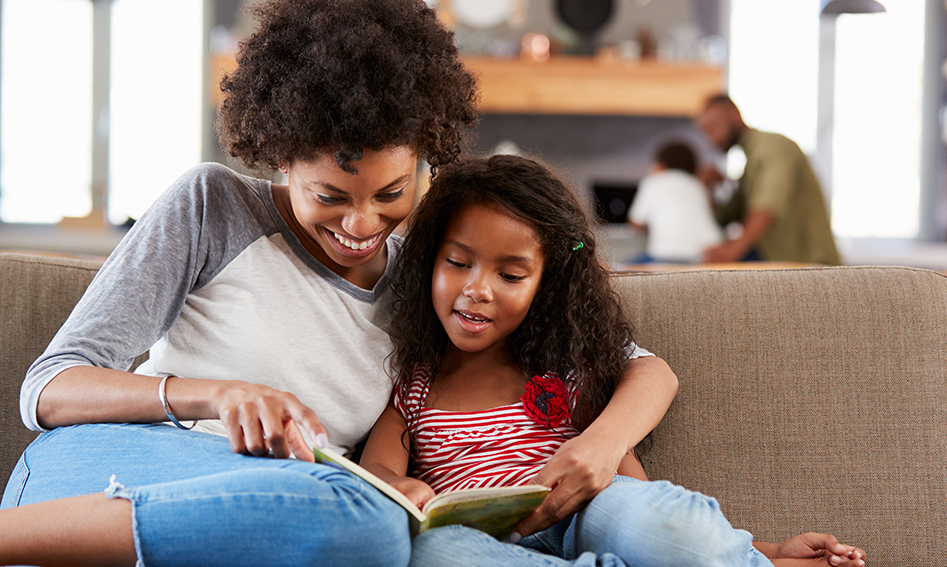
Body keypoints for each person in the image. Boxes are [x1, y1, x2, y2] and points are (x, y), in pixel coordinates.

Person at [0, 2, 681, 566]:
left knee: (376, 525)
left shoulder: (435, 274)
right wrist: (216, 395)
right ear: (279, 152)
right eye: (330, 194)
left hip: (285, 507)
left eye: (391, 193)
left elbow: (640, 368)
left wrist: (594, 446)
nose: (362, 223)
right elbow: (48, 386)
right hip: (99, 477)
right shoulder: (212, 207)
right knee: (366, 521)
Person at [360, 154, 868, 567]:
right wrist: (401, 486)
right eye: (456, 263)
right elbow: (376, 468)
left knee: (643, 515)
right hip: (485, 545)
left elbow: (638, 507)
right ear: (429, 260)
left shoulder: (566, 373)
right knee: (434, 553)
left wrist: (766, 551)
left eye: (510, 276)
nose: (476, 290)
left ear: (545, 285)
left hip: (583, 520)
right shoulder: (415, 387)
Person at [697, 94, 841, 266]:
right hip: (783, 265)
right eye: (705, 131)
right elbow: (724, 217)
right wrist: (707, 188)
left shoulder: (773, 146)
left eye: (713, 126)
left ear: (734, 114)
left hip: (813, 267)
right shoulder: (750, 164)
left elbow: (768, 205)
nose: (710, 138)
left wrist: (733, 250)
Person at [627, 140, 724, 264]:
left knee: (622, 267)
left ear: (660, 165)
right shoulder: (697, 184)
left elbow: (635, 224)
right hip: (708, 252)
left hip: (667, 254)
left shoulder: (653, 181)